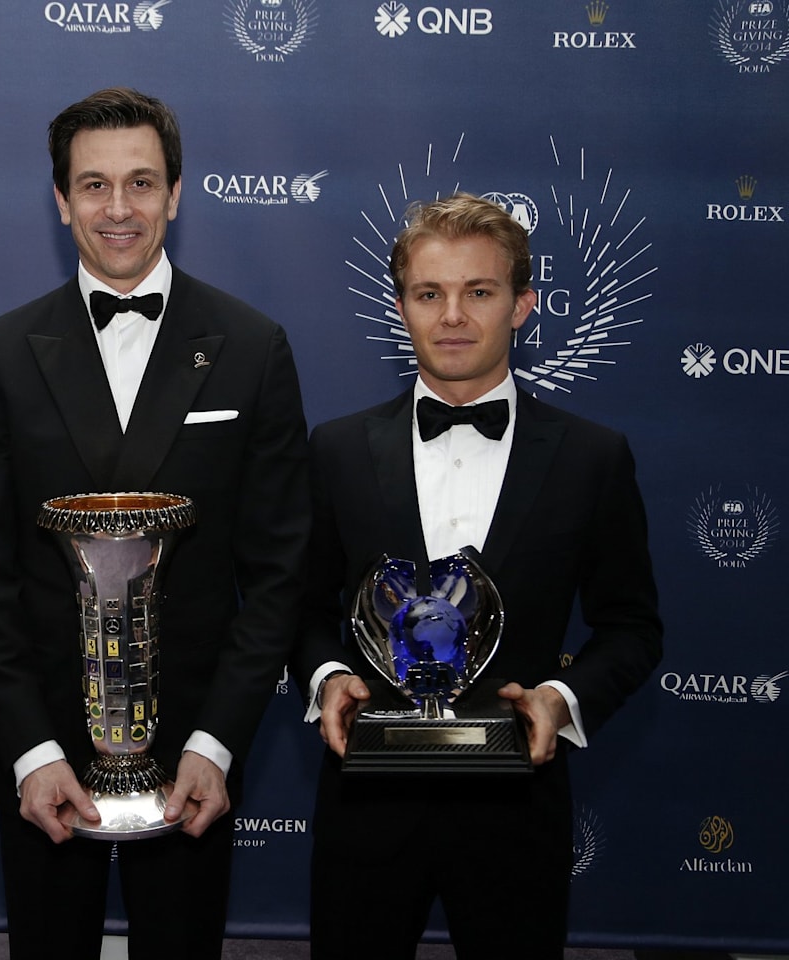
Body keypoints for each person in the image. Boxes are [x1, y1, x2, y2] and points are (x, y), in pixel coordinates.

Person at [0, 87, 312, 960]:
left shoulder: (253, 345)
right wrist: (30, 750)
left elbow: (278, 569)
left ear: (177, 194)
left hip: (193, 755)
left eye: (142, 183)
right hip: (47, 758)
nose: (119, 209)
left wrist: (217, 742)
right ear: (61, 199)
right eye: (95, 185)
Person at [292, 193, 663, 959]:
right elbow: (298, 609)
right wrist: (329, 677)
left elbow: (631, 627)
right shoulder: (335, 451)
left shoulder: (592, 458)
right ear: (401, 307)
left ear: (524, 305)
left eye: (480, 292)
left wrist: (559, 702)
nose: (453, 315)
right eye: (430, 293)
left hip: (516, 810)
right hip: (367, 802)